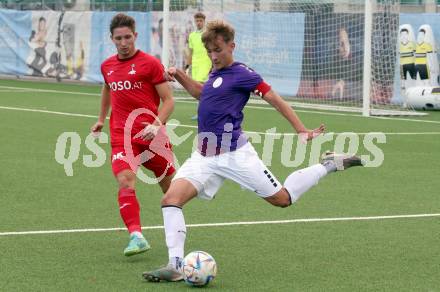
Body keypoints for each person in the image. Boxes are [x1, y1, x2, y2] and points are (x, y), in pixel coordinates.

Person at [142, 20, 364, 282]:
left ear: (231, 46)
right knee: (170, 200)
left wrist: (301, 129)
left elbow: (275, 99)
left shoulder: (244, 74)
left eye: (218, 50)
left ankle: (329, 163)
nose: (213, 56)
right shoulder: (215, 72)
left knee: (282, 199)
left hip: (236, 156)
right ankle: (176, 265)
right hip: (202, 157)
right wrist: (178, 73)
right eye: (210, 51)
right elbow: (202, 93)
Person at [90, 13, 176, 257]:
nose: (124, 42)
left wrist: (157, 124)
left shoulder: (150, 63)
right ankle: (136, 235)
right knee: (125, 180)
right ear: (112, 39)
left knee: (172, 190)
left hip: (152, 137)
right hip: (121, 136)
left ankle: (176, 233)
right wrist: (100, 119)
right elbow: (107, 90)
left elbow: (169, 101)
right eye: (119, 38)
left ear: (135, 36)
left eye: (128, 37)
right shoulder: (107, 66)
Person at [187, 12, 212, 120]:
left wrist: (213, 64)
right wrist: (188, 65)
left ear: (204, 22)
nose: (199, 23)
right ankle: (204, 111)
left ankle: (202, 112)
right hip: (196, 65)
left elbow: (211, 49)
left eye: (201, 21)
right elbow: (190, 52)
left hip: (206, 64)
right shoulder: (192, 35)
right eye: (197, 21)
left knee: (201, 88)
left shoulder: (207, 35)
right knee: (199, 89)